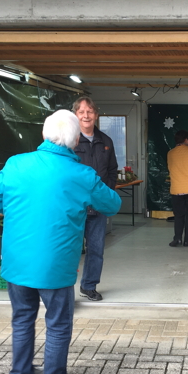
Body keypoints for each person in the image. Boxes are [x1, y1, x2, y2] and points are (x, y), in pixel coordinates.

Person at [0, 110, 121, 374]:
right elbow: (112, 204)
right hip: (55, 267)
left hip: (17, 263)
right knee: (57, 324)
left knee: (22, 319)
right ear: (73, 140)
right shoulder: (81, 174)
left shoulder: (16, 164)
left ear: (44, 135)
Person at [72, 97, 119, 301]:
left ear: (96, 115)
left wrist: (106, 194)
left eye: (90, 111)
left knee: (96, 250)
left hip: (97, 207)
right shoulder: (69, 141)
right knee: (69, 249)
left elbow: (112, 171)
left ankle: (89, 286)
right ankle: (63, 289)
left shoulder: (105, 142)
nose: (86, 115)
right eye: (81, 112)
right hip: (73, 207)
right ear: (75, 115)